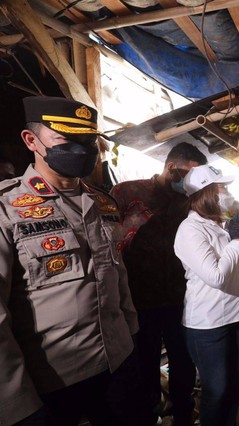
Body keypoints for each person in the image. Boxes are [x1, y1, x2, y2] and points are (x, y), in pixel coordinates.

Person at [0, 96, 141, 425]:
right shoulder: (7, 210)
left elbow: (118, 280)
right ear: (31, 140)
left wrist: (133, 341)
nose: (81, 148)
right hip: (54, 381)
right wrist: (16, 402)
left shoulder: (103, 204)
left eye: (88, 139)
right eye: (66, 139)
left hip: (119, 364)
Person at [110, 142, 206, 425]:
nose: (192, 182)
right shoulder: (128, 192)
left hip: (180, 298)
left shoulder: (189, 200)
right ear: (171, 168)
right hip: (139, 301)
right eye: (189, 174)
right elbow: (107, 240)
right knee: (144, 366)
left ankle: (184, 414)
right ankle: (149, 415)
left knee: (183, 363)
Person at [173, 165, 239, 426]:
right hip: (208, 324)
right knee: (216, 390)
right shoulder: (190, 229)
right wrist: (235, 240)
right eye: (223, 188)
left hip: (236, 316)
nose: (228, 193)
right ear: (205, 193)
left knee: (233, 386)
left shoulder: (222, 224)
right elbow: (216, 276)